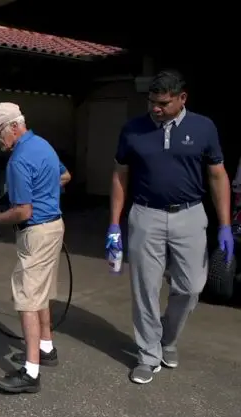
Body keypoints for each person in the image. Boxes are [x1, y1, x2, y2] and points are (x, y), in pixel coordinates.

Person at [106, 70, 232, 385]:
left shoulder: (203, 127)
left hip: (189, 216)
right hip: (145, 216)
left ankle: (167, 338)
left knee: (190, 287)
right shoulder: (133, 129)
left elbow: (218, 175)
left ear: (182, 98)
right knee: (145, 289)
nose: (155, 109)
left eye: (163, 103)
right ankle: (148, 355)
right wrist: (114, 224)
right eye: (152, 102)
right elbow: (121, 174)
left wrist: (225, 225)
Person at [0, 102, 71, 394]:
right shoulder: (44, 145)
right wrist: (46, 189)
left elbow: (22, 212)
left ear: (14, 126)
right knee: (41, 293)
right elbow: (65, 176)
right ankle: (46, 348)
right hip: (54, 228)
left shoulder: (18, 160)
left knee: (26, 297)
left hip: (36, 232)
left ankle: (30, 372)